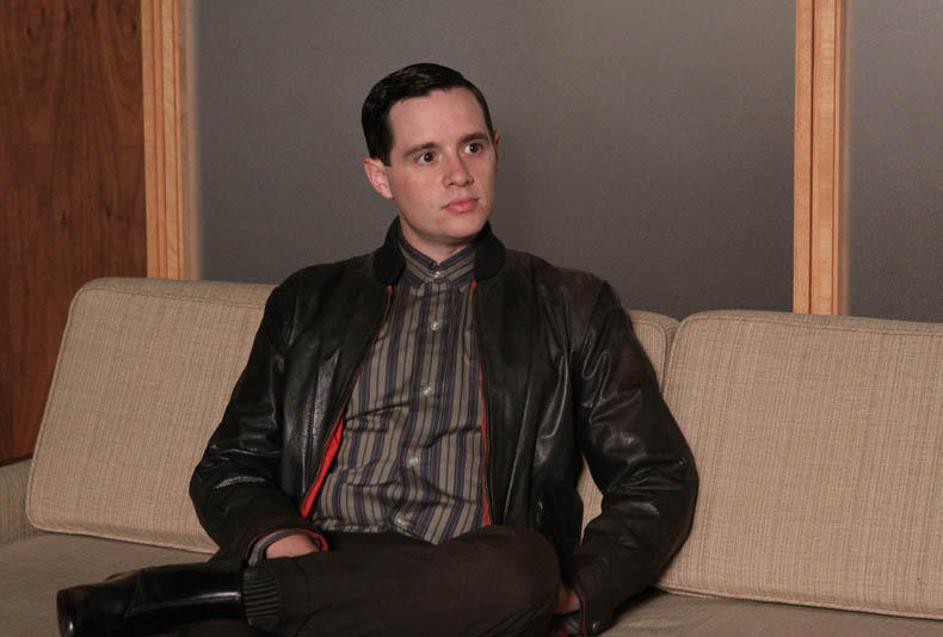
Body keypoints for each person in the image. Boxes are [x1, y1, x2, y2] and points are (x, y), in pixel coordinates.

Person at [57, 63, 697, 637]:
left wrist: (575, 592)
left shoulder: (570, 304)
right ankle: (284, 596)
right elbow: (229, 465)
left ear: (495, 151)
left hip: (465, 580)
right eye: (425, 156)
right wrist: (281, 543)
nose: (458, 174)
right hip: (319, 555)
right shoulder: (309, 300)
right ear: (380, 177)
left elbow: (656, 477)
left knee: (524, 566)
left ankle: (222, 597)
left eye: (473, 146)